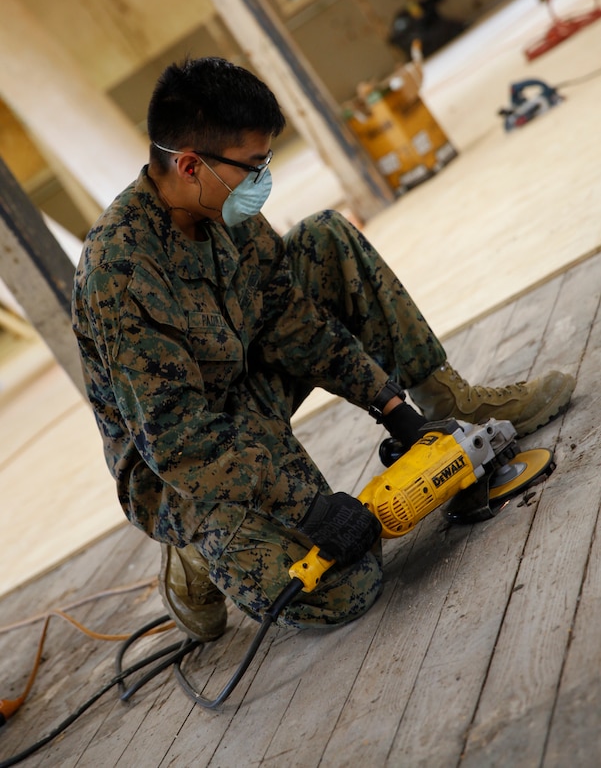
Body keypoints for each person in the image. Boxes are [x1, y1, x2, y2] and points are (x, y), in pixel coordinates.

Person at [72, 57, 575, 641]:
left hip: (243, 390)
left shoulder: (218, 207)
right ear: (190, 165)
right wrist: (312, 511)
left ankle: (445, 400)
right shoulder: (122, 271)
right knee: (343, 589)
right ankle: (193, 551)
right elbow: (179, 442)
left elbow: (289, 317)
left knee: (323, 238)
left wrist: (394, 410)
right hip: (183, 465)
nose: (262, 179)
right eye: (254, 165)